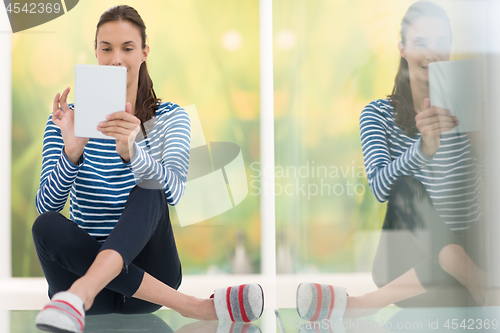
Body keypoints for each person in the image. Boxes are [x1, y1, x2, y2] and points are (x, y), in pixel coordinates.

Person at [32, 5, 262, 333]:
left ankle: (81, 294)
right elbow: (46, 206)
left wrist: (133, 153)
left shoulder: (171, 118)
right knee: (46, 225)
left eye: (127, 48)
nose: (116, 60)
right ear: (95, 52)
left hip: (147, 277)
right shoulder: (67, 121)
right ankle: (194, 307)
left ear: (144, 52)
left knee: (150, 190)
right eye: (106, 48)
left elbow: (177, 193)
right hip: (80, 273)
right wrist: (72, 152)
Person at [297, 1, 492, 321]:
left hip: (444, 271)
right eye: (420, 43)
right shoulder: (377, 115)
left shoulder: (474, 109)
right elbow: (380, 187)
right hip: (408, 263)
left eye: (442, 42)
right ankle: (474, 279)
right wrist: (422, 149)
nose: (432, 52)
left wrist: (481, 137)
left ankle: (364, 304)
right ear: (402, 48)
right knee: (404, 184)